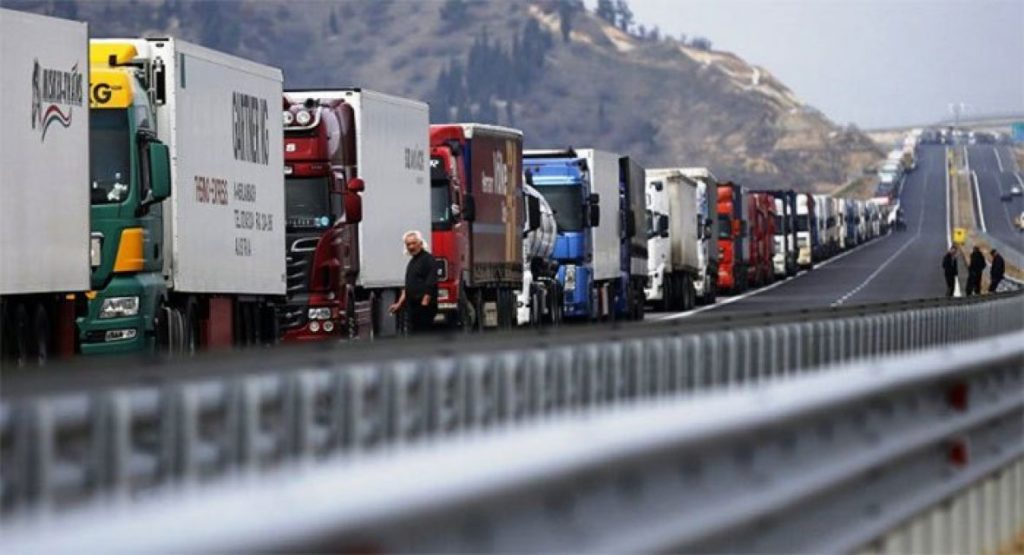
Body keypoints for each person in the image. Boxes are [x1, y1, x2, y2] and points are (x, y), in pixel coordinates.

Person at [389, 230, 438, 334]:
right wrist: (399, 304)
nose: (411, 247)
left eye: (414, 243)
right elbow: (408, 286)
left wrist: (424, 304)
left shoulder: (428, 259)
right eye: (408, 244)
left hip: (424, 307)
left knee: (424, 335)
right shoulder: (412, 262)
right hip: (412, 307)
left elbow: (431, 283)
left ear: (420, 243)